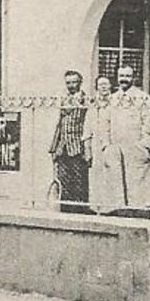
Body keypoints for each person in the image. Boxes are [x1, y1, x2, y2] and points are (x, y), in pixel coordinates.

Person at [91, 65, 150, 212]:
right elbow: (104, 123)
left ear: (134, 78)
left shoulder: (143, 98)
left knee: (137, 191)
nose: (124, 79)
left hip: (136, 150)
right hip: (115, 150)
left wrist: (144, 145)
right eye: (121, 76)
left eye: (127, 76)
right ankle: (119, 213)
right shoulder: (112, 99)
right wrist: (106, 145)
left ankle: (137, 215)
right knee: (116, 190)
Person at [49, 70, 92, 214]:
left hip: (77, 147)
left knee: (79, 183)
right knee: (63, 182)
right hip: (63, 147)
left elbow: (88, 125)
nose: (71, 85)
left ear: (80, 83)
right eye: (68, 82)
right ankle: (66, 212)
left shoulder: (85, 100)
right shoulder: (64, 100)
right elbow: (59, 125)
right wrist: (54, 147)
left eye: (74, 82)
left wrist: (87, 148)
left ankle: (80, 213)